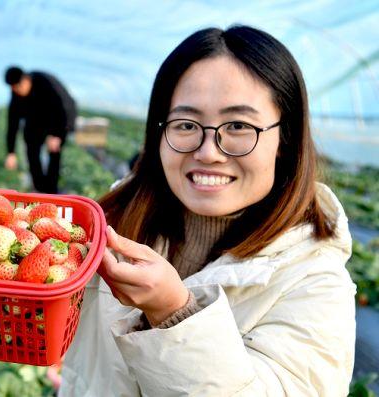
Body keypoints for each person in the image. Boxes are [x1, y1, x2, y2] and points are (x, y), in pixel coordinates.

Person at [58, 26, 356, 396]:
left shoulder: (314, 281)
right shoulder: (114, 220)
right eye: (185, 124)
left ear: (286, 139)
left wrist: (173, 313)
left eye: (238, 126)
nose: (208, 151)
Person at [3, 66, 76, 194]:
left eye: (19, 86)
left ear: (26, 80)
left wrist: (57, 135)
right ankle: (39, 188)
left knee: (54, 151)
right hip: (35, 120)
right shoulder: (16, 95)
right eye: (14, 88)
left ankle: (52, 190)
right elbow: (12, 123)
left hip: (58, 118)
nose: (17, 91)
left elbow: (62, 109)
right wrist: (11, 152)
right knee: (31, 148)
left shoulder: (45, 84)